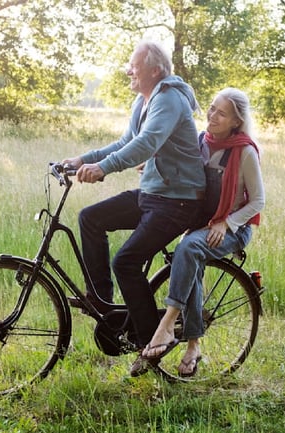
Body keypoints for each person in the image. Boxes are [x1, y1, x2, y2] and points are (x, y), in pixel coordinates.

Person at [62, 40, 205, 376]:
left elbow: (146, 143)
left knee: (125, 261)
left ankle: (148, 341)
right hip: (153, 194)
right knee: (91, 219)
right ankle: (101, 301)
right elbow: (126, 141)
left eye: (134, 64)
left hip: (178, 201)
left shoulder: (168, 99)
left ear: (154, 70)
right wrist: (84, 159)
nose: (129, 69)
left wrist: (105, 168)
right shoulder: (142, 102)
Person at [140, 87, 265, 377]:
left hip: (234, 228)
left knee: (189, 249)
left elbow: (258, 201)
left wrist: (227, 222)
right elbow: (181, 173)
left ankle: (167, 324)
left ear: (236, 121)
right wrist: (151, 167)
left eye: (221, 113)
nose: (212, 116)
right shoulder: (200, 142)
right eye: (211, 108)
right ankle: (193, 345)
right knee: (189, 261)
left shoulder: (245, 152)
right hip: (202, 224)